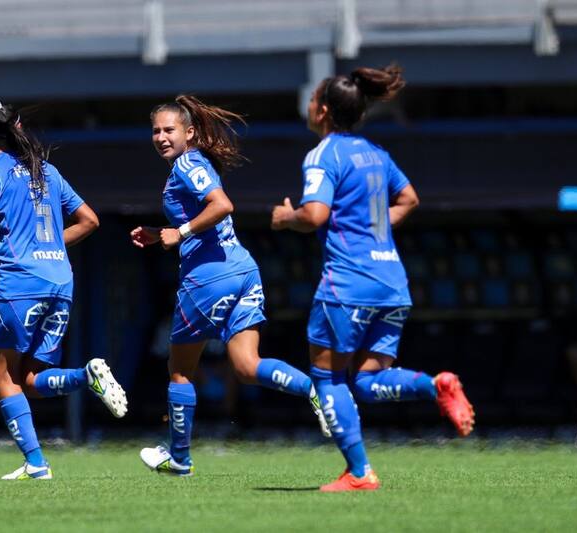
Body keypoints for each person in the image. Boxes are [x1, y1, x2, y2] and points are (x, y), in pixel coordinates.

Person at [271, 65, 475, 492]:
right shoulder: (376, 154)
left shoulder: (324, 154)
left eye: (312, 99)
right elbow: (409, 198)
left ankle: (360, 472)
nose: (309, 106)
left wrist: (287, 218)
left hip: (347, 284)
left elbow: (315, 214)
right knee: (364, 382)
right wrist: (373, 227)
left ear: (323, 111)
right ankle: (435, 386)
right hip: (392, 283)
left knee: (328, 377)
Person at [132, 95, 330, 476]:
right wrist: (162, 233)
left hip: (208, 277)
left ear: (189, 133)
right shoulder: (196, 162)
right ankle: (314, 390)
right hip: (242, 270)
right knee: (246, 365)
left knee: (179, 369)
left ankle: (180, 458)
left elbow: (222, 205)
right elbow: (205, 216)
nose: (161, 137)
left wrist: (180, 232)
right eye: (155, 131)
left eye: (169, 130)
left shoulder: (186, 163)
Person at [0, 99, 127, 480]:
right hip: (60, 282)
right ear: (20, 126)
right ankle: (87, 375)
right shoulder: (48, 171)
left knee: (4, 374)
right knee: (30, 381)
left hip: (19, 283)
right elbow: (90, 221)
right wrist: (52, 245)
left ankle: (37, 463)